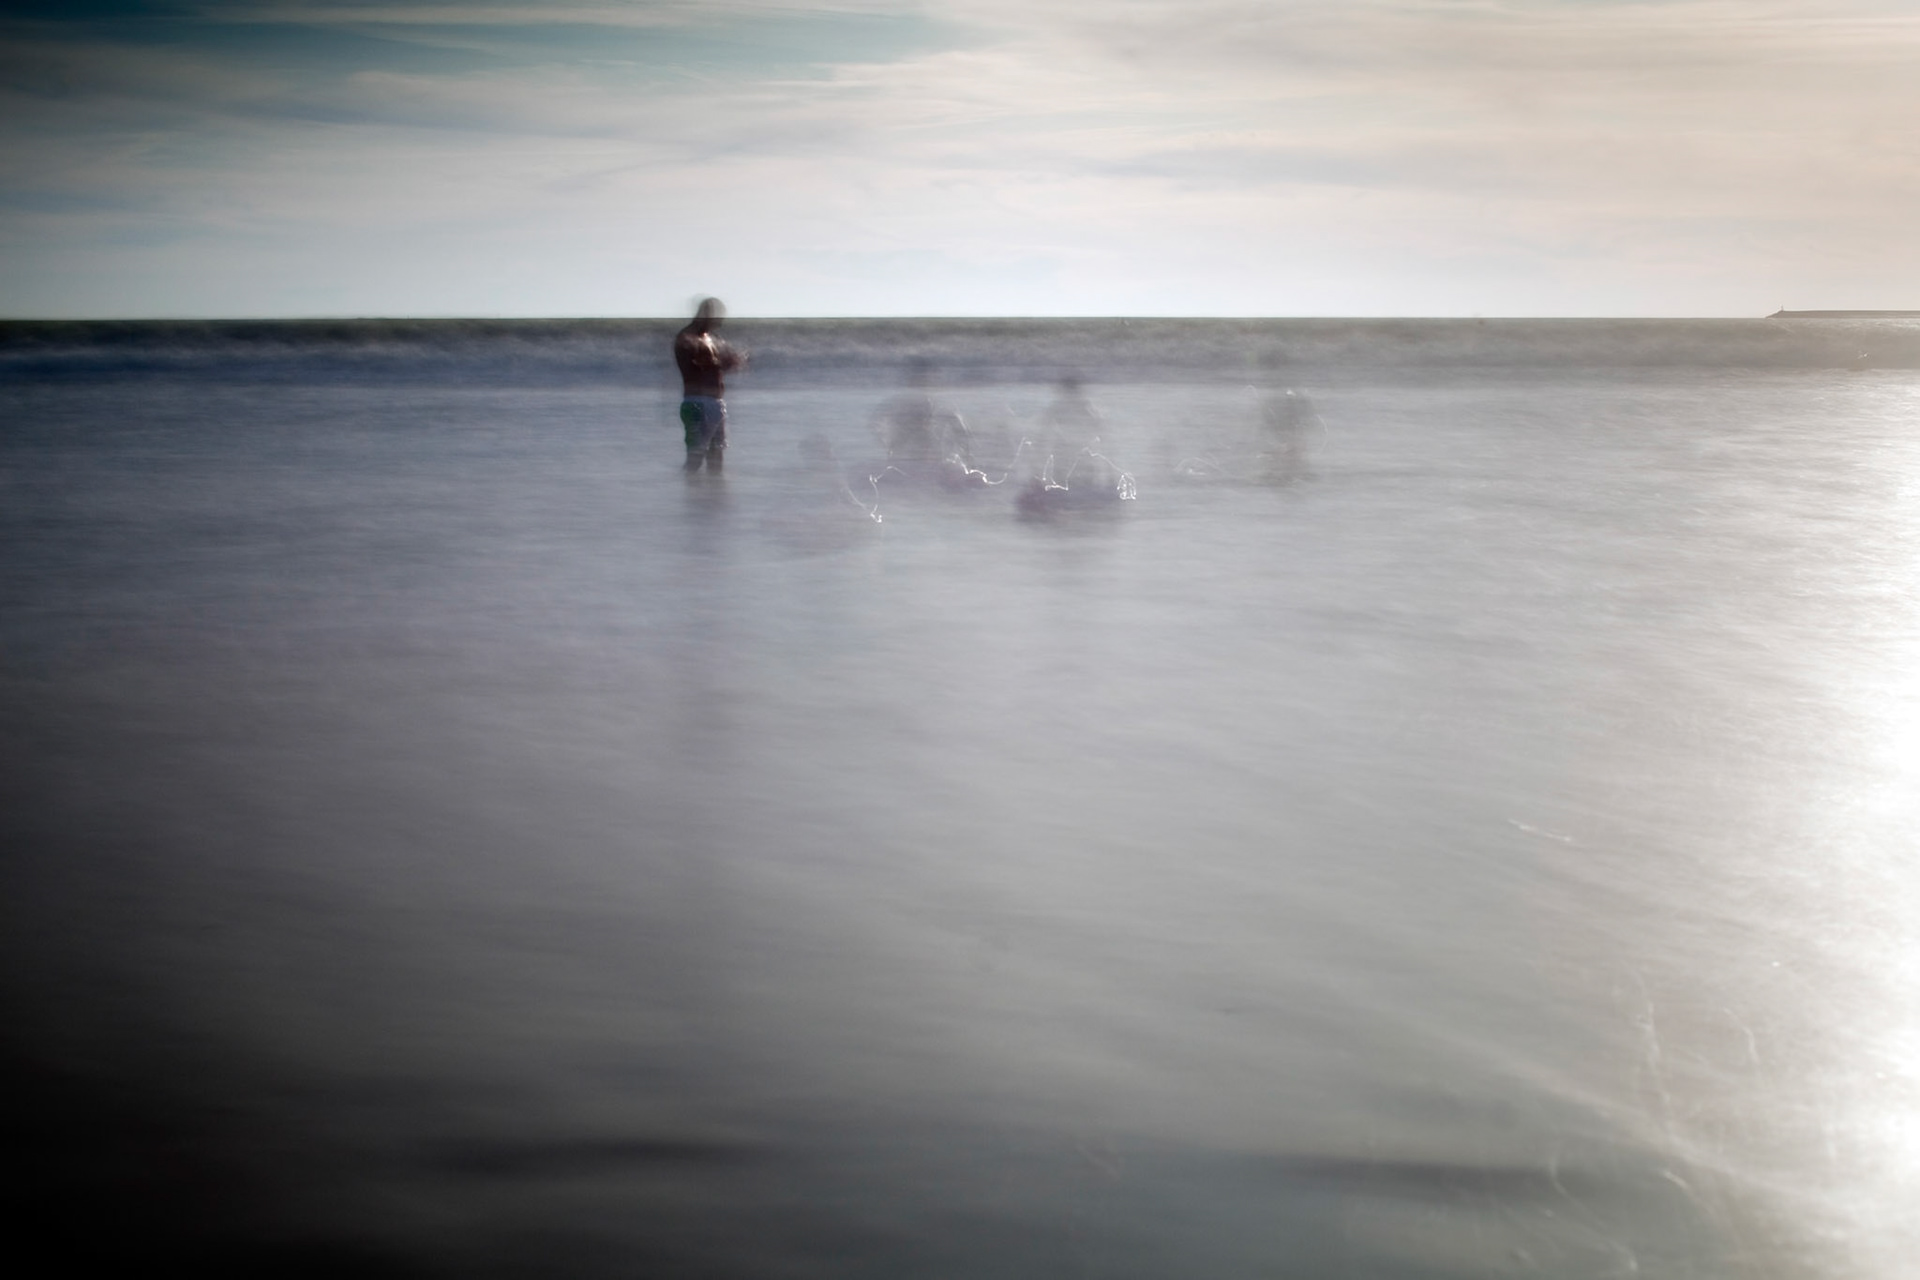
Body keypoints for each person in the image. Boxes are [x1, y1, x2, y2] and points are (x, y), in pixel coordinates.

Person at [673, 297, 746, 471]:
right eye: (718, 318)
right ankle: (687, 491)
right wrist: (726, 362)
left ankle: (710, 497)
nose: (720, 323)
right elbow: (701, 364)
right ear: (707, 315)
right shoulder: (687, 337)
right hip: (698, 403)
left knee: (716, 458)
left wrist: (733, 361)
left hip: (715, 403)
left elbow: (715, 363)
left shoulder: (709, 338)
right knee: (695, 458)